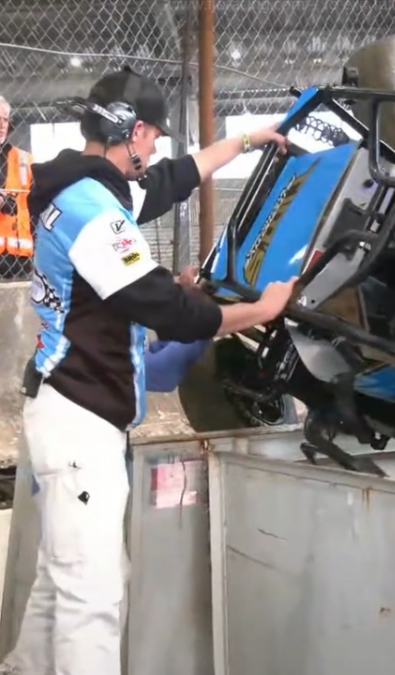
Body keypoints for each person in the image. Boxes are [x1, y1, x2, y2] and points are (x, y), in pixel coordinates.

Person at [1, 68, 295, 675]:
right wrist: (259, 310)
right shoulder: (92, 208)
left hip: (66, 408)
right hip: (82, 423)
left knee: (61, 581)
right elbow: (164, 306)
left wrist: (249, 140)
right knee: (94, 596)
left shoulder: (80, 184)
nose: (156, 149)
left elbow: (169, 182)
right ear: (132, 133)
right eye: (154, 137)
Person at [0, 95, 34, 279]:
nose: (2, 124)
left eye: (5, 119)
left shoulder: (24, 160)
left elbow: (36, 205)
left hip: (19, 259)